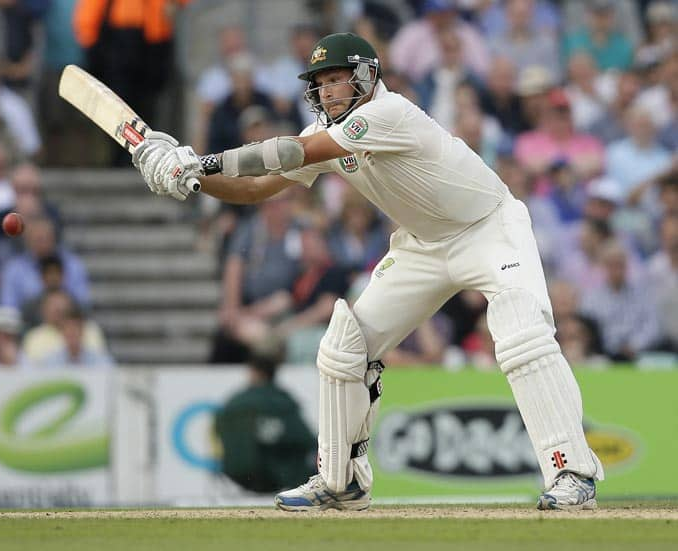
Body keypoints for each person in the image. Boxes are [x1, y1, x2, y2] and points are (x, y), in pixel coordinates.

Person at [132, 32, 603, 511]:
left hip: (489, 227)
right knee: (343, 346)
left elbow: (293, 152)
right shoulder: (331, 133)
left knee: (522, 334)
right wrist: (191, 180)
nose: (329, 91)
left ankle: (573, 472)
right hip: (423, 245)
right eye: (321, 83)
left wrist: (199, 158)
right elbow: (256, 189)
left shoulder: (387, 112)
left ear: (366, 76)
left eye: (338, 79)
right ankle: (341, 481)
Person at [214, 339, 316, 493]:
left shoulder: (235, 400)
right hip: (275, 472)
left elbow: (218, 429)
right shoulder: (280, 400)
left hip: (233, 471)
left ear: (253, 371)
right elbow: (305, 438)